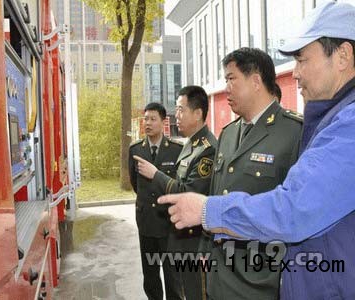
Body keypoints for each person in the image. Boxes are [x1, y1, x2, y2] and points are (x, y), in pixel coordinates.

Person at [158, 1, 355, 299]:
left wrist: (207, 211)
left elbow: (293, 210)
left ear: (342, 56)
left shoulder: (346, 126)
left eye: (302, 59)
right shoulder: (330, 120)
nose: (296, 73)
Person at [205, 47, 303, 300]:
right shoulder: (227, 134)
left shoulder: (294, 133)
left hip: (259, 284)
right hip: (219, 277)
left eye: (231, 78)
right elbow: (214, 196)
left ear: (256, 80)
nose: (226, 87)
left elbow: (298, 213)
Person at [134, 86, 217, 300]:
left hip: (194, 240)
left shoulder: (207, 149)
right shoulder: (192, 144)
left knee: (192, 291)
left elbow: (188, 194)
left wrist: (156, 175)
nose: (176, 116)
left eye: (181, 110)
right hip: (179, 235)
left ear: (198, 113)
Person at [129, 102, 183, 300]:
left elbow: (177, 184)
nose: (148, 123)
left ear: (163, 122)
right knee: (150, 275)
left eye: (153, 119)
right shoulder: (135, 150)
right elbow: (135, 184)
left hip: (169, 224)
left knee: (172, 276)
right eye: (146, 119)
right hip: (146, 222)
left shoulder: (176, 150)